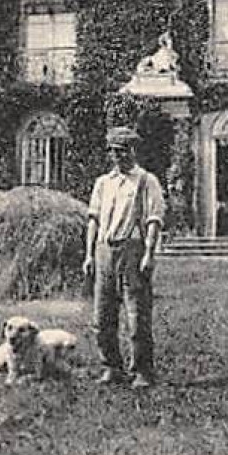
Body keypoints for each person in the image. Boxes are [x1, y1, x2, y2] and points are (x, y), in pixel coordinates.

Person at [84, 125, 164, 388]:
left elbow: (154, 220)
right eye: (113, 151)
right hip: (104, 250)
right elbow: (93, 220)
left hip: (133, 249)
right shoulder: (103, 183)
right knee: (101, 317)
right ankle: (111, 367)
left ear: (133, 150)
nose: (118, 156)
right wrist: (89, 254)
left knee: (137, 317)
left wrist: (149, 254)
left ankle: (142, 371)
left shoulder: (146, 181)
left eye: (122, 151)